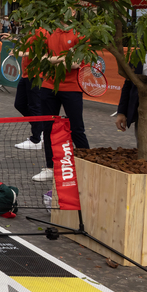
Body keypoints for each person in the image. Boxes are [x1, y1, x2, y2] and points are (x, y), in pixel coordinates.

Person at [32, 25, 90, 182]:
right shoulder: (49, 32)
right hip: (48, 86)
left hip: (72, 87)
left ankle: (88, 165)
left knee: (77, 128)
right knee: (48, 128)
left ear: (73, 10)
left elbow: (75, 64)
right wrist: (64, 59)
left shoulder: (80, 33)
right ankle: (50, 167)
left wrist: (51, 60)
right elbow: (40, 58)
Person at [4, 32, 45, 151]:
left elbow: (42, 52)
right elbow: (28, 44)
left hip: (37, 75)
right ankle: (41, 128)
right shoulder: (31, 30)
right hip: (26, 74)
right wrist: (14, 39)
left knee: (35, 106)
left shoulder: (43, 31)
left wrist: (21, 53)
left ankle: (36, 139)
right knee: (19, 104)